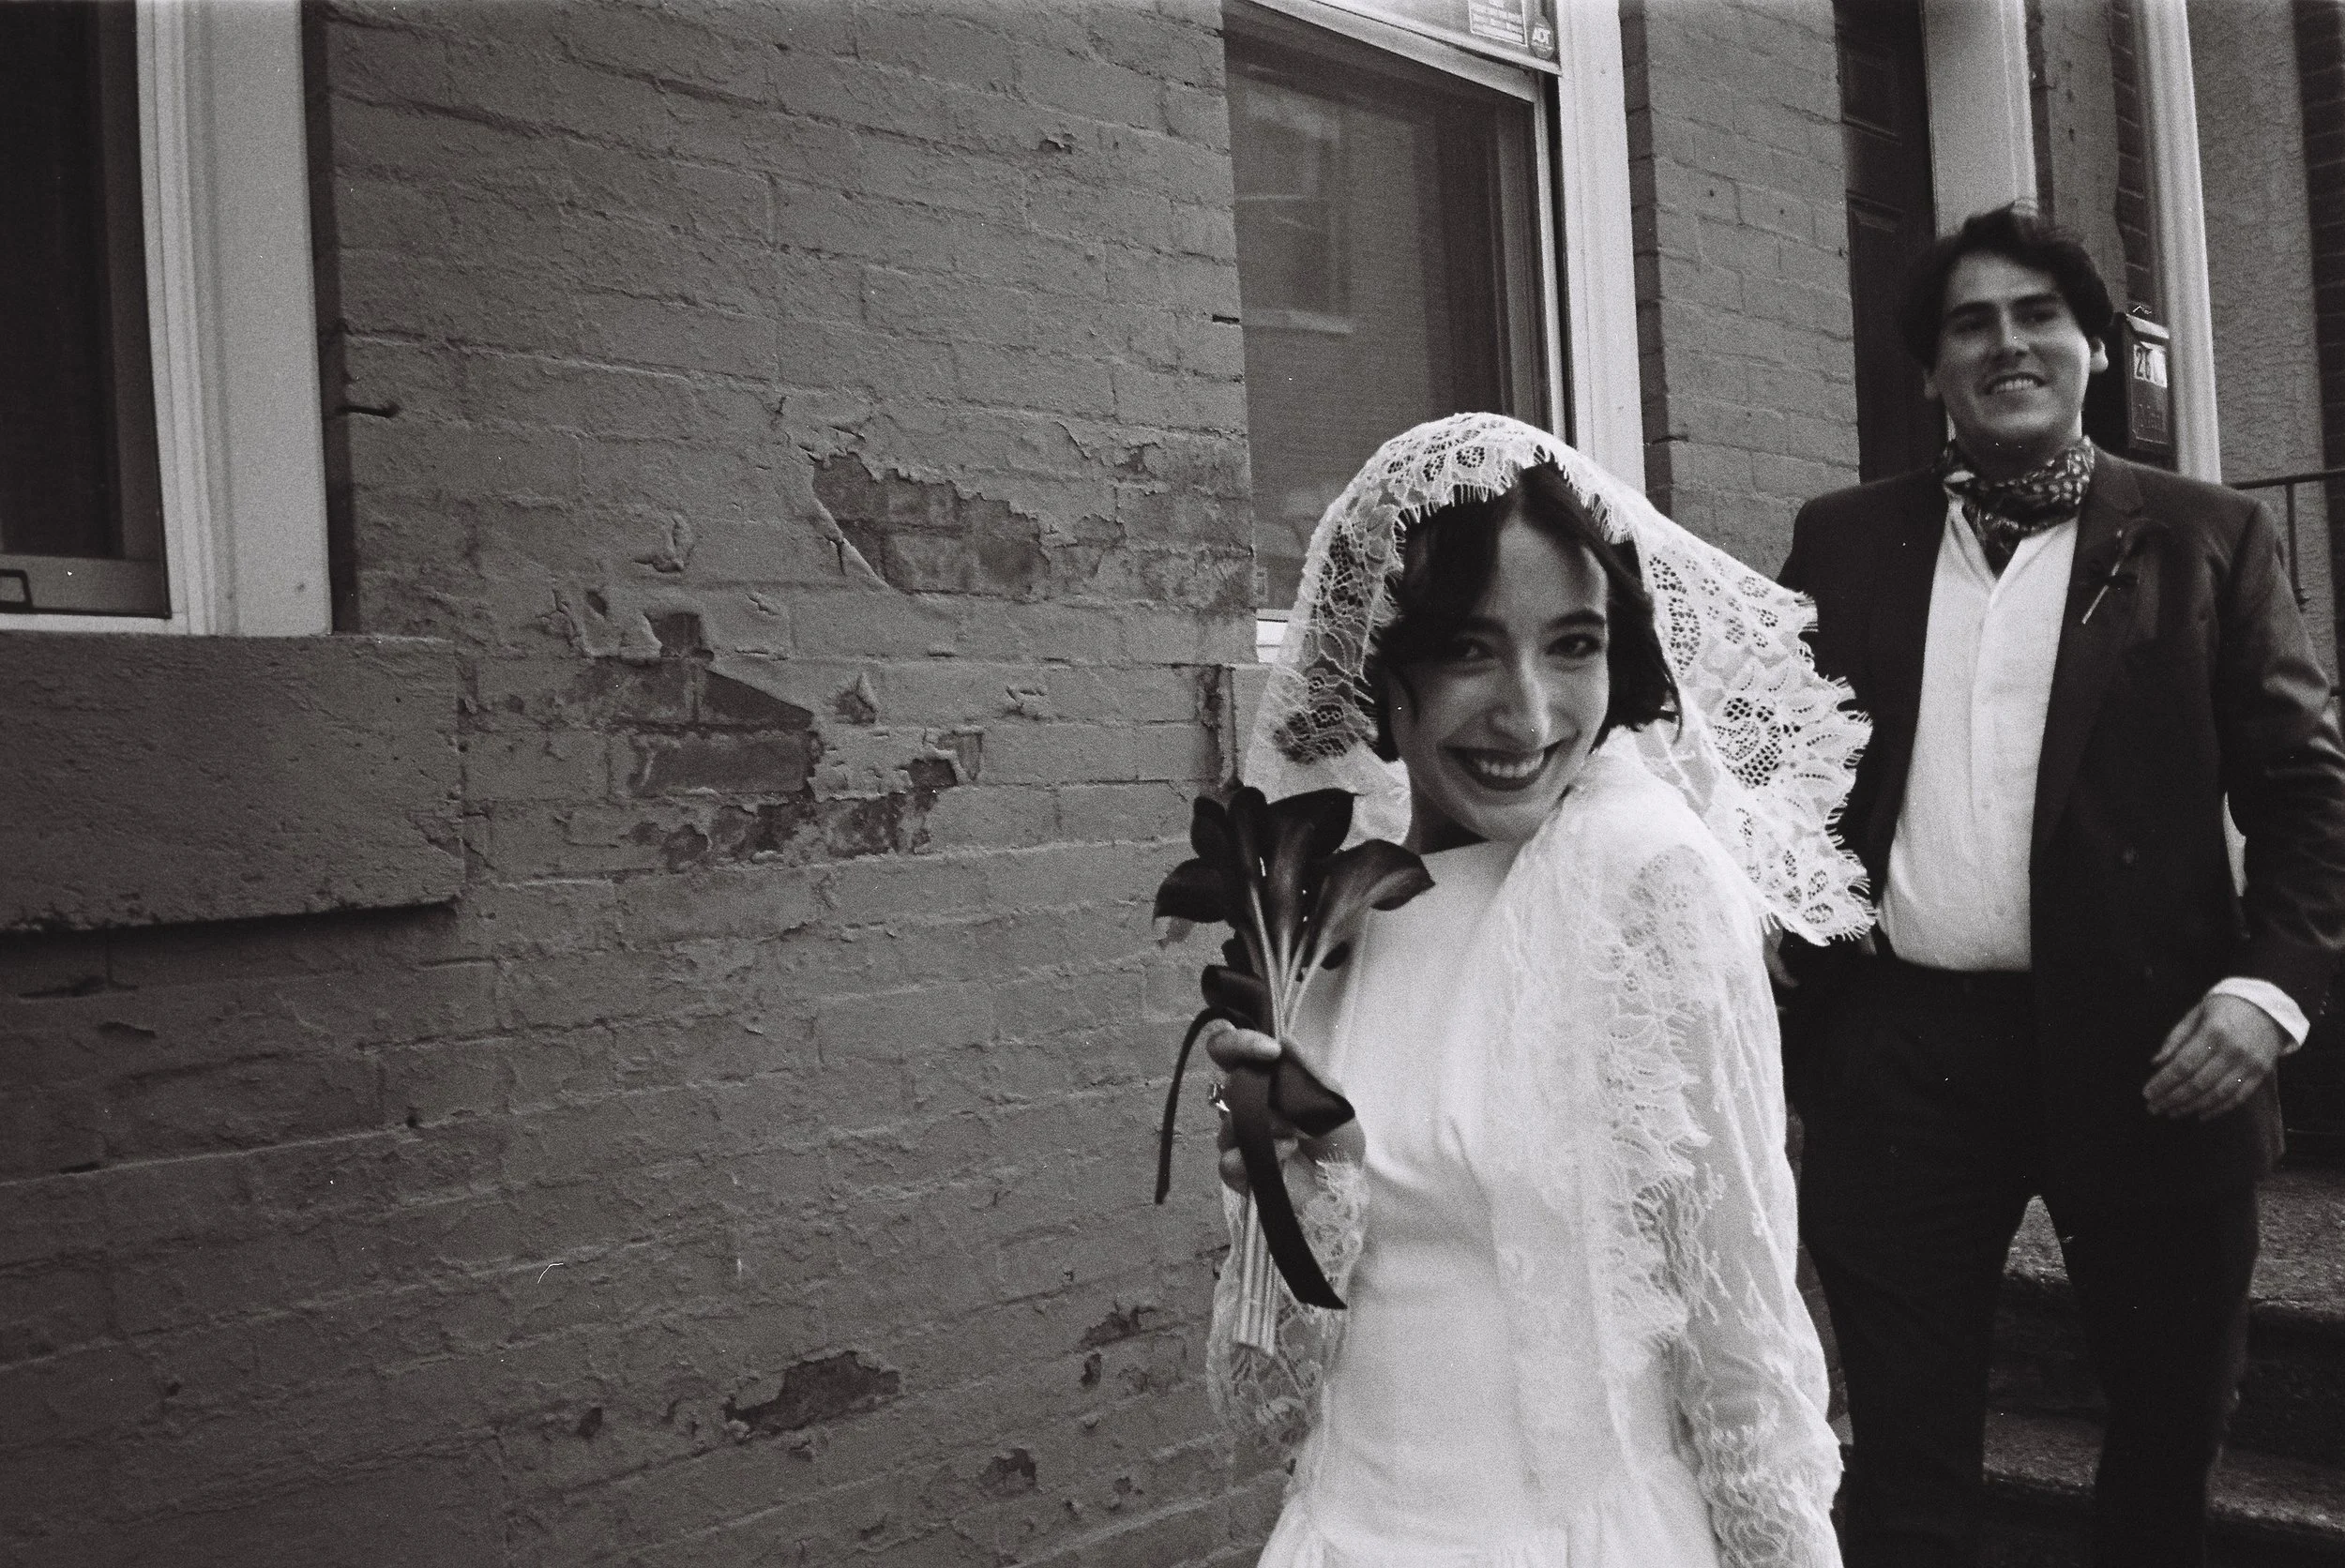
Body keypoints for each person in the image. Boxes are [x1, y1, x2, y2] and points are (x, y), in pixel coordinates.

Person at [1195, 413, 1869, 1567]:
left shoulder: (1645, 882)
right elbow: (1262, 1406)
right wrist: (1304, 1197)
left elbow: (1742, 1347)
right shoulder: (1317, 911)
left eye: (1570, 646)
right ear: (1381, 673)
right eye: (1468, 650)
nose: (1529, 713)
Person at [1778, 204, 2345, 1568]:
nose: (2007, 343)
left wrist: (2269, 991)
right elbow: (1762, 767)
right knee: (1904, 1460)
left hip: (2155, 1051)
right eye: (1970, 324)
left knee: (2162, 1445)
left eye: (2038, 315)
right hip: (1906, 1060)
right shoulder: (1846, 540)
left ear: (2092, 346)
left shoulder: (2205, 538)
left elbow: (2307, 791)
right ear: (1932, 373)